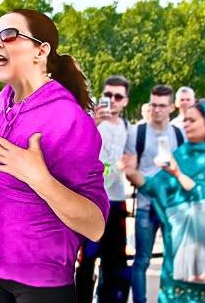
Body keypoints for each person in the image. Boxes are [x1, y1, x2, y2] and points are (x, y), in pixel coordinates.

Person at [0, 9, 109, 303]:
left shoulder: (68, 118)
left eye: (8, 35)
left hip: (42, 284)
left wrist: (39, 178)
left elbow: (95, 225)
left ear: (41, 51)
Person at [120, 102, 205, 302]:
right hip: (183, 243)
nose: (186, 125)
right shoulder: (182, 154)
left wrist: (178, 174)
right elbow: (156, 187)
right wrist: (131, 172)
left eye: (192, 120)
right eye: (185, 120)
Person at [124, 85, 185, 303]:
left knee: (174, 259)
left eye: (162, 106)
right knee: (142, 260)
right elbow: (129, 169)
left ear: (171, 108)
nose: (157, 110)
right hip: (145, 205)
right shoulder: (137, 132)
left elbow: (185, 168)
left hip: (172, 205)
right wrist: (150, 186)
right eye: (153, 105)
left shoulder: (179, 133)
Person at [76, 76, 131, 303]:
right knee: (86, 261)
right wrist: (92, 124)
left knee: (114, 262)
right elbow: (72, 149)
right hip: (91, 202)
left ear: (126, 101)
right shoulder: (88, 121)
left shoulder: (129, 128)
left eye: (118, 96)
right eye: (108, 95)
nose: (112, 101)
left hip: (116, 201)